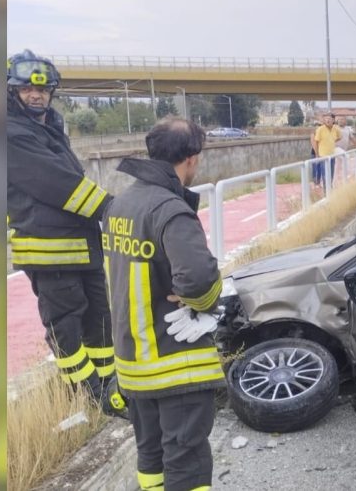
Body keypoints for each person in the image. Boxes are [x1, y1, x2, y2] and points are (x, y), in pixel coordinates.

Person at [102, 117, 224, 491]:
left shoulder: (120, 205)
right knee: (186, 464)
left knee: (151, 458)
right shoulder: (170, 209)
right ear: (192, 158)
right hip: (175, 365)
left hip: (134, 365)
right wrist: (201, 303)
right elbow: (200, 279)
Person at [6, 49, 124, 416]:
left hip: (82, 244)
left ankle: (109, 387)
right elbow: (59, 184)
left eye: (43, 90)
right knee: (67, 329)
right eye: (26, 89)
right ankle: (87, 393)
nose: (36, 95)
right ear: (11, 91)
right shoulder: (10, 133)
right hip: (50, 250)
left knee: (100, 320)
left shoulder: (47, 127)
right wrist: (113, 209)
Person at [311, 112, 341, 190]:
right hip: (323, 156)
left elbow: (339, 137)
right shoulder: (320, 129)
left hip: (332, 155)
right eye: (326, 119)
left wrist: (331, 141)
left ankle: (329, 189)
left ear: (333, 120)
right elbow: (316, 142)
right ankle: (326, 192)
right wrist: (317, 154)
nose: (327, 120)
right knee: (325, 175)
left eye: (329, 119)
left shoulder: (336, 129)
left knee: (331, 175)